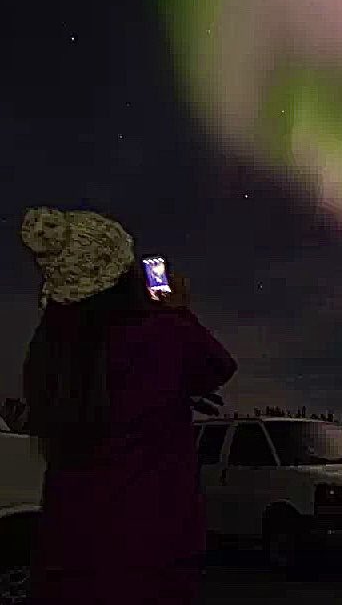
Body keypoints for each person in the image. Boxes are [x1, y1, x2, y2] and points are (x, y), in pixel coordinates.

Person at [20, 207, 238, 604]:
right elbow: (218, 366)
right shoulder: (161, 334)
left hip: (65, 549)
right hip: (150, 551)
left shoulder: (50, 350)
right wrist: (176, 309)